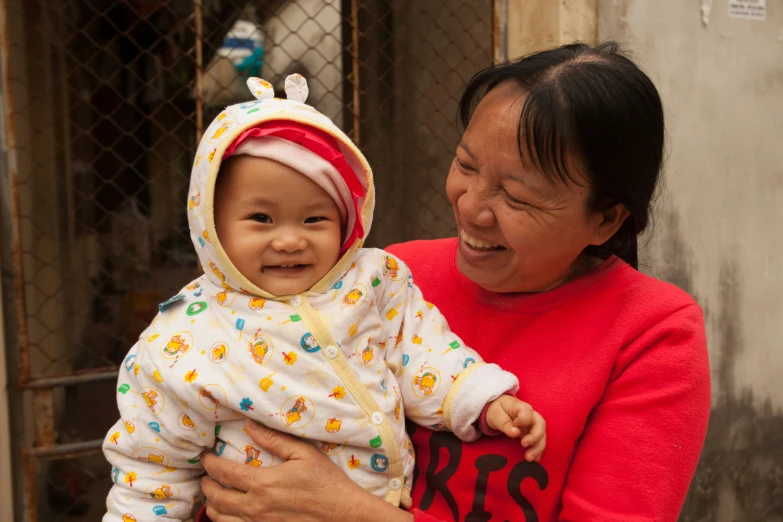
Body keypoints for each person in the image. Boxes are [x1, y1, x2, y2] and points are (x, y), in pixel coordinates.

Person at [197, 42, 711, 522]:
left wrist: (355, 513)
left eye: (517, 197)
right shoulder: (389, 279)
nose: (470, 207)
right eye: (465, 164)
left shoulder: (653, 333)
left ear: (606, 219)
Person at [101, 75, 546, 522]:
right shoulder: (182, 340)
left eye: (315, 218)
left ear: (347, 218)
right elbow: (151, 468)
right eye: (261, 218)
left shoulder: (373, 282)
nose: (291, 240)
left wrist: (481, 400)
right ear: (210, 223)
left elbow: (423, 351)